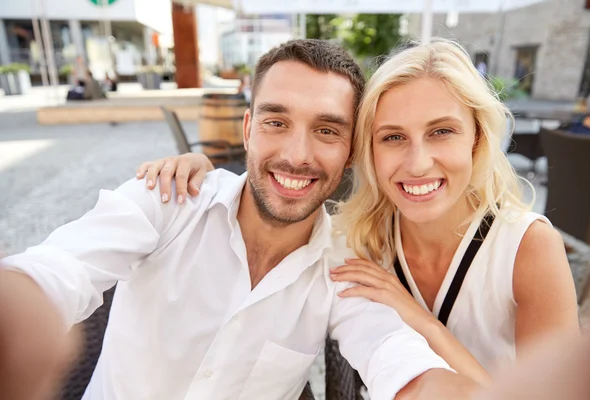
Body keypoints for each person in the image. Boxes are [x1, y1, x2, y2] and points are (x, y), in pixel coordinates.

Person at [0, 39, 472, 400]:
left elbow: (393, 353)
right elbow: (59, 268)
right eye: (276, 122)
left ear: (351, 153)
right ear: (248, 130)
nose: (296, 155)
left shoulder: (341, 267)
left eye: (327, 130)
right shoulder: (167, 200)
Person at [138, 38, 580, 384]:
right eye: (393, 137)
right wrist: (206, 175)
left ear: (478, 140)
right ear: (364, 150)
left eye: (442, 131)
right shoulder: (357, 239)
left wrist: (423, 323)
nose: (417, 162)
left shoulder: (527, 248)